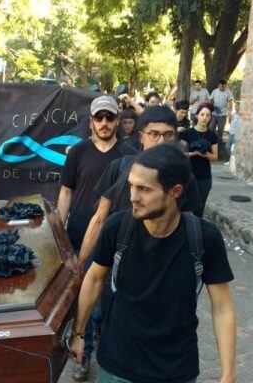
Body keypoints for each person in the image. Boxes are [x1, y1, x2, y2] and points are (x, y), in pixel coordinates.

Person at [71, 143, 237, 383]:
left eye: (144, 190)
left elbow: (222, 309)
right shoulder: (117, 228)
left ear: (175, 193)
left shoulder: (204, 238)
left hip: (176, 373)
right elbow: (95, 278)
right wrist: (78, 332)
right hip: (119, 366)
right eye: (131, 186)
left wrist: (227, 379)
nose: (132, 197)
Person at [57, 95, 137, 381]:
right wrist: (59, 232)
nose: (104, 123)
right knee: (85, 295)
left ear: (118, 121)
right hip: (80, 232)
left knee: (109, 296)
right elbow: (66, 191)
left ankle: (108, 342)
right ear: (91, 121)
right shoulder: (77, 152)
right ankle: (84, 352)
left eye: (110, 117)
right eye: (99, 117)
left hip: (118, 237)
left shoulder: (129, 155)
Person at [79, 105, 203, 276]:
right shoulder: (119, 167)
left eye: (168, 134)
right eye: (154, 134)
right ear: (141, 136)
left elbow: (188, 228)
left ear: (175, 137)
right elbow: (99, 219)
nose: (161, 142)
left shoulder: (185, 178)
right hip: (115, 265)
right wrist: (82, 263)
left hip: (159, 270)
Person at [180, 104, 218, 214]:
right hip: (188, 175)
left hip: (204, 178)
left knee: (199, 208)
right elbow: (181, 154)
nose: (205, 117)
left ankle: (197, 230)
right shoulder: (188, 133)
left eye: (207, 115)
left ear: (210, 118)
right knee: (185, 207)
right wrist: (194, 153)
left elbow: (215, 158)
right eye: (202, 114)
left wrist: (205, 154)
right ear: (197, 116)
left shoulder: (212, 136)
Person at [209, 79, 233, 154]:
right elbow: (211, 100)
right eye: (220, 86)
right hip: (214, 113)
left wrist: (229, 112)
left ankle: (219, 141)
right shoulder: (215, 91)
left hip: (223, 114)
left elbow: (230, 102)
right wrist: (211, 108)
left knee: (221, 128)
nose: (222, 88)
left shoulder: (228, 92)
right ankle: (211, 139)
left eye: (223, 86)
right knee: (211, 126)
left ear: (225, 85)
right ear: (218, 85)